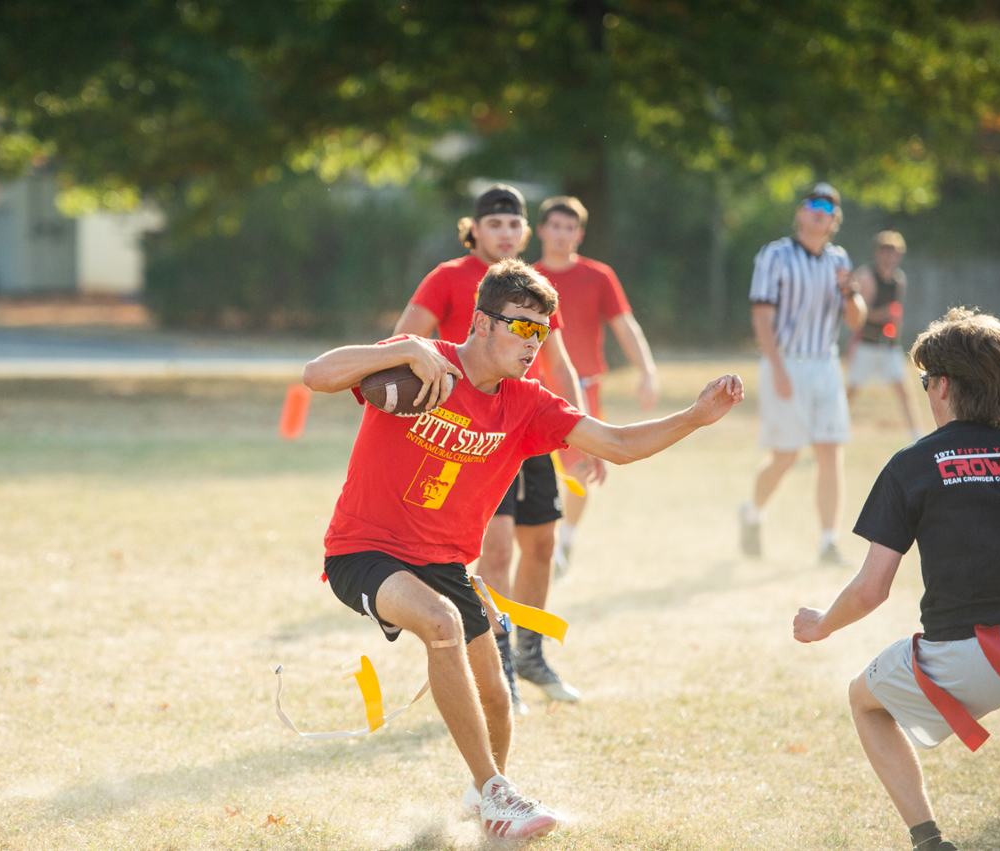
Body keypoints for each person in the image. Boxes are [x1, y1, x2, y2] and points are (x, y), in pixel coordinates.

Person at [305, 258, 743, 840]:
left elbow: (615, 444)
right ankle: (497, 794)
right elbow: (317, 373)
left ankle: (484, 794)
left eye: (544, 331)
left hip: (442, 562)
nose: (535, 342)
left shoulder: (528, 404)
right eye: (524, 327)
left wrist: (695, 417)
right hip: (363, 551)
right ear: (483, 323)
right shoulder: (422, 357)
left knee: (495, 686)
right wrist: (403, 352)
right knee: (441, 625)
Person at [793, 307, 1000, 851]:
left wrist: (822, 625)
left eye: (925, 379)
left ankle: (929, 840)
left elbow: (871, 589)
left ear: (943, 386)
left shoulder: (913, 463)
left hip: (971, 656)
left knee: (865, 700)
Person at [393, 184, 589, 712]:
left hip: (529, 424)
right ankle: (497, 660)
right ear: (474, 228)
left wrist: (580, 435)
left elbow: (560, 363)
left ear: (526, 232)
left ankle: (530, 653)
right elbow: (399, 344)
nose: (505, 232)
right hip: (474, 436)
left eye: (513, 224)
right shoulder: (447, 277)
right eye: (494, 223)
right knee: (496, 550)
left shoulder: (531, 285)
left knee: (542, 545)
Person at [739, 183, 866, 564]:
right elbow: (762, 316)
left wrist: (850, 292)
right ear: (799, 212)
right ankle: (752, 512)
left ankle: (828, 541)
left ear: (834, 219)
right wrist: (777, 368)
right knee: (786, 456)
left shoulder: (838, 260)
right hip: (786, 360)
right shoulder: (776, 255)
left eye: (827, 206)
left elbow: (857, 319)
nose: (818, 211)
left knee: (830, 452)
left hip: (824, 363)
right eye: (812, 203)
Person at [533, 195, 660, 572]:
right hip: (535, 387)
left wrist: (647, 371)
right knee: (536, 469)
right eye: (554, 226)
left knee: (579, 469)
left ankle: (565, 541)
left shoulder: (599, 276)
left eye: (569, 227)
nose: (561, 234)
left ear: (580, 234)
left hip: (583, 387)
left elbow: (625, 326)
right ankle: (540, 540)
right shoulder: (526, 277)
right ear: (541, 230)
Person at [847, 231, 921, 441]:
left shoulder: (899, 280)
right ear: (878, 253)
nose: (889, 257)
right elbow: (858, 314)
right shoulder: (867, 277)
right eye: (885, 252)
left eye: (894, 253)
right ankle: (834, 428)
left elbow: (895, 313)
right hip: (867, 343)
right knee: (852, 390)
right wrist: (882, 314)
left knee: (903, 389)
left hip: (888, 345)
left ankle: (916, 434)